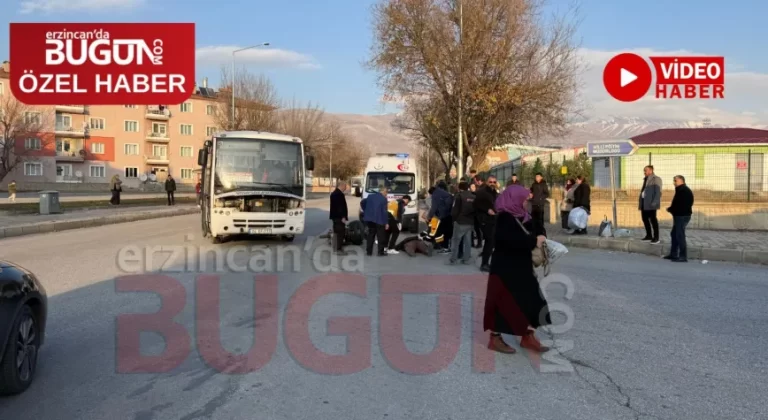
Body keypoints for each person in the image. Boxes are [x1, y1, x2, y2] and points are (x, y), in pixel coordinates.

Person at [483, 184, 551, 354]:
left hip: (523, 268)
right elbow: (508, 242)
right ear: (515, 198)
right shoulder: (504, 218)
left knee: (532, 301)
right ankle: (495, 338)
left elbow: (537, 229)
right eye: (524, 198)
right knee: (503, 303)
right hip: (506, 269)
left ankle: (528, 336)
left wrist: (540, 236)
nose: (526, 201)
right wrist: (533, 241)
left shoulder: (524, 216)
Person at [665, 175, 694, 262]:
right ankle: (673, 254)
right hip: (680, 215)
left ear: (681, 181)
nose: (674, 182)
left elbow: (680, 204)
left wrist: (671, 209)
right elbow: (677, 204)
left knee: (679, 235)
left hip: (682, 216)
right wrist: (672, 209)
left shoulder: (684, 190)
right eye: (674, 180)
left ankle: (683, 256)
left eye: (675, 180)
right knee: (674, 234)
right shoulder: (681, 190)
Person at [474, 175, 499, 272]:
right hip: (485, 220)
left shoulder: (495, 192)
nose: (492, 183)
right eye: (490, 182)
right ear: (487, 182)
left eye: (494, 182)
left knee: (491, 242)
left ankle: (485, 259)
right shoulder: (482, 192)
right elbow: (476, 204)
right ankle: (484, 264)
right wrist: (487, 210)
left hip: (493, 219)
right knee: (490, 241)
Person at [449, 181, 475, 264]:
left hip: (460, 221)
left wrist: (454, 220)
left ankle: (453, 258)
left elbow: (454, 210)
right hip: (470, 222)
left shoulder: (459, 196)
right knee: (468, 241)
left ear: (460, 188)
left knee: (456, 241)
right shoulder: (474, 197)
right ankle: (466, 259)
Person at [425, 181, 453, 254]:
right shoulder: (442, 192)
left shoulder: (435, 194)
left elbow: (434, 207)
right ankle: (446, 247)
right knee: (446, 232)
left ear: (431, 193)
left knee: (441, 232)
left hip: (444, 216)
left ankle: (444, 247)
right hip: (449, 214)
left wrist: (429, 217)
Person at [363, 185, 389, 256]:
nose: (387, 194)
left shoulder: (370, 196)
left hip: (370, 219)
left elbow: (362, 203)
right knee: (381, 236)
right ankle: (380, 252)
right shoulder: (383, 199)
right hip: (379, 220)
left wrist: (366, 211)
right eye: (386, 192)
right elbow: (384, 212)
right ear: (383, 191)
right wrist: (386, 223)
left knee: (370, 235)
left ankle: (369, 252)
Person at [639, 165, 662, 244]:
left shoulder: (656, 179)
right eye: (644, 171)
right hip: (644, 203)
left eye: (645, 170)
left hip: (651, 204)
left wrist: (654, 202)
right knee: (645, 219)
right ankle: (649, 235)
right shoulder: (645, 179)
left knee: (653, 220)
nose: (644, 172)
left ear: (650, 170)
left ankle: (656, 238)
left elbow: (658, 192)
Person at [329, 181, 349, 255]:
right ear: (341, 186)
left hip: (336, 217)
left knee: (337, 232)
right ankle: (338, 249)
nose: (345, 188)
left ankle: (337, 248)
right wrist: (343, 217)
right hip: (339, 217)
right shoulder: (338, 194)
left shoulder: (335, 193)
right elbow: (340, 207)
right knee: (340, 233)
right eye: (345, 186)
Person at [471, 176, 484, 248]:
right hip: (475, 213)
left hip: (479, 213)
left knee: (478, 229)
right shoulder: (474, 192)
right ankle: (477, 243)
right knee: (476, 228)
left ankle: (479, 243)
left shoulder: (479, 191)